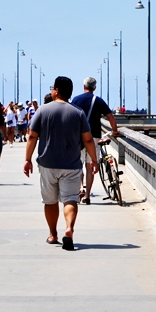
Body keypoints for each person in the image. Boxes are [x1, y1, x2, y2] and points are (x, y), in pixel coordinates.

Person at [24, 76, 98, 251]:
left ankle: (53, 234)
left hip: (47, 163)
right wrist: (94, 160)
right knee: (70, 199)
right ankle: (69, 228)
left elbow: (32, 136)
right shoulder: (78, 112)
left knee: (50, 201)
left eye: (52, 87)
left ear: (56, 90)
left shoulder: (42, 110)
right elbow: (87, 140)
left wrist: (27, 159)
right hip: (71, 164)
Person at [71, 77, 119, 205]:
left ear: (83, 86)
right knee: (90, 166)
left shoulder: (76, 100)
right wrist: (114, 131)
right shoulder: (98, 101)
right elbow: (111, 118)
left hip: (79, 136)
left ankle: (81, 187)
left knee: (78, 165)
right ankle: (87, 196)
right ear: (95, 88)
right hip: (94, 137)